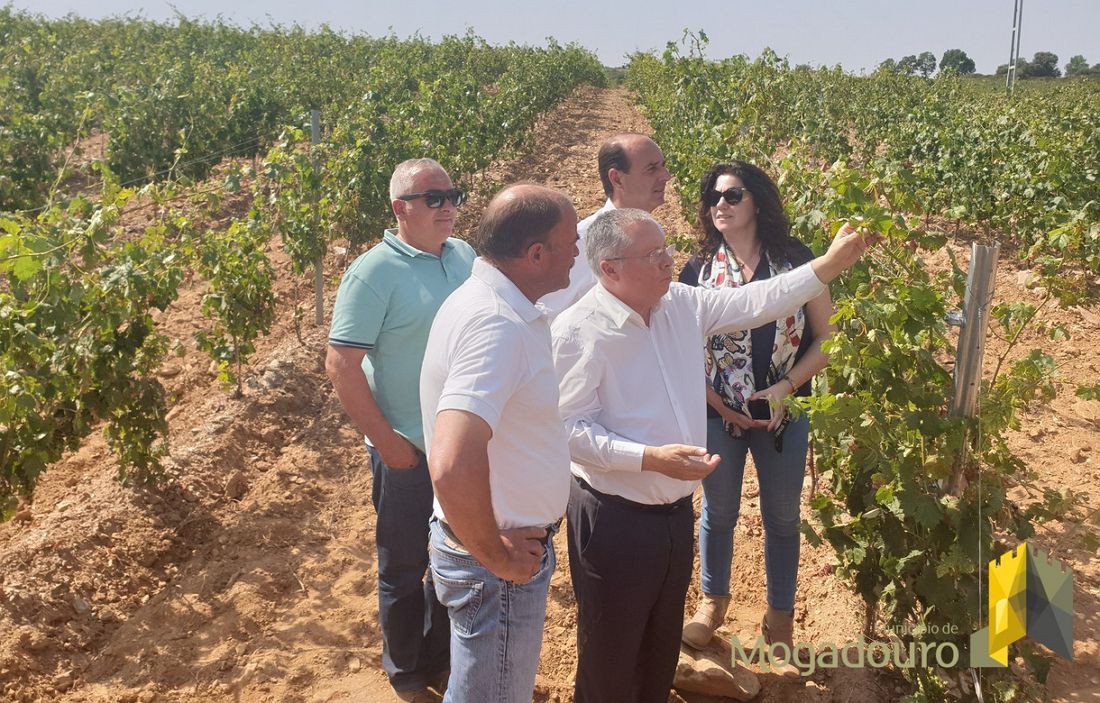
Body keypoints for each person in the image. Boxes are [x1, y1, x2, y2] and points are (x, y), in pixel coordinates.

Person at [552, 208, 871, 703]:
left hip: (674, 514)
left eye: (667, 250)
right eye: (653, 254)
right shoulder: (578, 330)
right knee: (611, 651)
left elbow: (756, 300)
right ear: (609, 268)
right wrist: (648, 457)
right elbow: (567, 429)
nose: (667, 261)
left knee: (659, 645)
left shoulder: (681, 305)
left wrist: (826, 267)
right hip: (615, 519)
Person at [419, 184, 579, 703]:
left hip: (493, 553)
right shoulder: (496, 324)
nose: (580, 252)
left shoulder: (482, 302)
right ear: (536, 254)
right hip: (497, 566)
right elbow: (450, 463)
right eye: (571, 241)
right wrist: (497, 557)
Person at [326, 158, 474, 702]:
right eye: (433, 198)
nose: (448, 206)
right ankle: (407, 672)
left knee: (454, 554)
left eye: (452, 195)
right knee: (405, 563)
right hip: (409, 448)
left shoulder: (463, 257)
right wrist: (390, 446)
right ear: (400, 209)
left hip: (458, 445)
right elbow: (341, 364)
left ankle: (439, 656)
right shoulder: (373, 271)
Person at [679, 162, 835, 672]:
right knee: (717, 511)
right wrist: (718, 402)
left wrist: (786, 389)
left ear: (758, 202)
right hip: (714, 413)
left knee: (783, 518)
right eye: (712, 196)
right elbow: (678, 348)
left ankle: (780, 621)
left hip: (782, 414)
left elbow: (826, 339)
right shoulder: (697, 269)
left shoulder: (795, 262)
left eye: (732, 194)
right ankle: (712, 603)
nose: (718, 203)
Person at [538, 133, 671, 317]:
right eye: (651, 169)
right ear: (616, 179)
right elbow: (548, 315)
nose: (666, 176)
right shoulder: (581, 243)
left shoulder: (653, 231)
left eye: (663, 166)